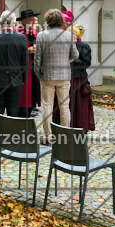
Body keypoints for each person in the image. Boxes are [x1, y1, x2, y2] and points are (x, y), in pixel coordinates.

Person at [34, 9, 78, 141]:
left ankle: (49, 136)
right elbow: (75, 55)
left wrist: (39, 74)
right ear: (61, 21)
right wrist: (66, 60)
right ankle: (64, 136)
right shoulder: (68, 35)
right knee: (64, 106)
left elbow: (37, 59)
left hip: (47, 75)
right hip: (64, 75)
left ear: (47, 20)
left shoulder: (41, 35)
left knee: (47, 106)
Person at [53, 24, 95, 133]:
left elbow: (86, 63)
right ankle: (61, 126)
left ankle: (78, 127)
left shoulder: (83, 46)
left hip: (77, 79)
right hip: (63, 78)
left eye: (70, 33)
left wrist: (71, 60)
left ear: (76, 35)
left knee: (77, 104)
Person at [16, 9, 41, 116]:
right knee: (25, 93)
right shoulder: (18, 33)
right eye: (31, 20)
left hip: (34, 68)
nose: (33, 22)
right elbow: (15, 52)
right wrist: (27, 51)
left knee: (33, 92)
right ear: (24, 21)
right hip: (23, 68)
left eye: (33, 20)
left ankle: (30, 109)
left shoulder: (33, 33)